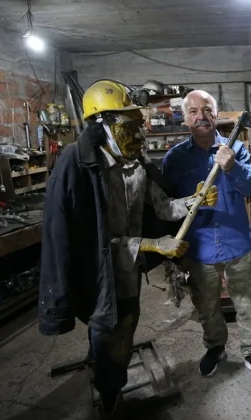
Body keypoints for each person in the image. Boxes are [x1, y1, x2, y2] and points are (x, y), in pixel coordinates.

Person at [38, 80, 218, 418]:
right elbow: (91, 243)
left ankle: (109, 379)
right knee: (107, 329)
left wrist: (195, 200)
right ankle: (110, 398)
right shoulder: (80, 165)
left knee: (126, 325)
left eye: (140, 125)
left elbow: (163, 208)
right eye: (129, 126)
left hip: (129, 268)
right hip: (99, 274)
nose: (139, 135)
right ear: (101, 125)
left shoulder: (136, 164)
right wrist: (155, 245)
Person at [162, 90, 251, 384]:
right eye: (193, 111)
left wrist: (231, 166)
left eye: (207, 109)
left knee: (247, 304)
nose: (201, 116)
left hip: (237, 244)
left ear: (216, 114)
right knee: (207, 307)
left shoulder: (235, 148)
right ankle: (215, 347)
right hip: (199, 249)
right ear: (185, 118)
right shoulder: (174, 158)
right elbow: (165, 205)